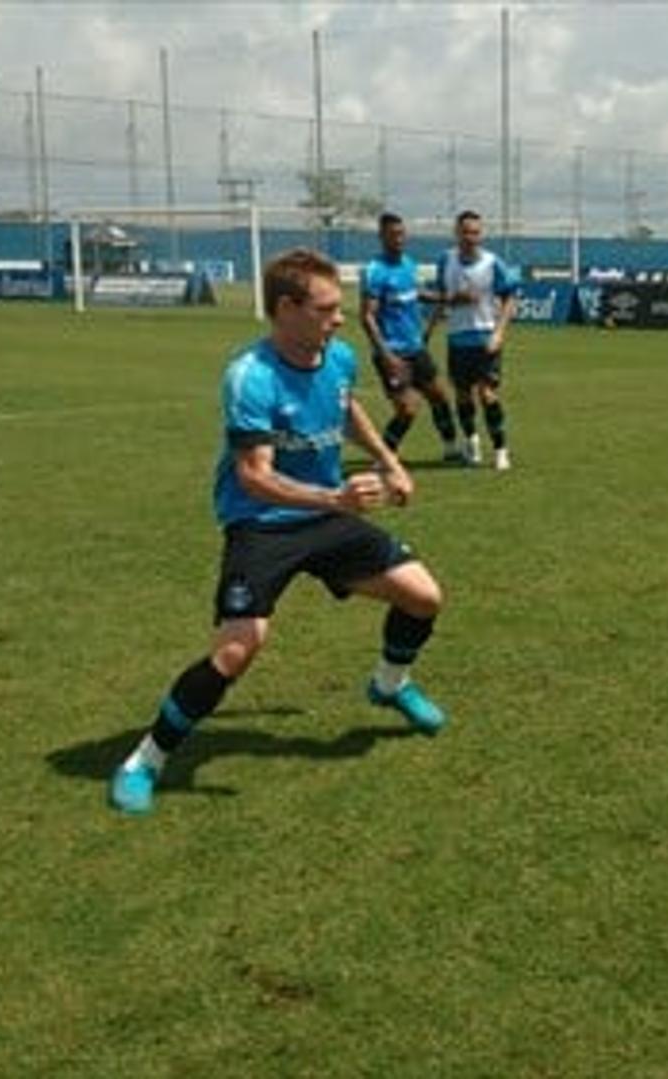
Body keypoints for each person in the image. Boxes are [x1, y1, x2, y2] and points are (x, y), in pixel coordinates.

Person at [109, 248, 450, 816]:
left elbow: (344, 411)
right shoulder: (251, 377)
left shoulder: (337, 357)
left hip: (327, 516)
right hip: (263, 523)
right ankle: (145, 760)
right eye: (326, 308)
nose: (339, 319)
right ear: (287, 309)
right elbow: (254, 477)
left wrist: (390, 461)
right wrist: (336, 497)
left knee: (423, 597)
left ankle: (390, 684)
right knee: (238, 650)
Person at [360, 212, 464, 460]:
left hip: (416, 349)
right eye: (393, 235)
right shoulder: (375, 271)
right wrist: (387, 357)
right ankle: (384, 457)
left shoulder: (408, 263)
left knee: (439, 396)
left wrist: (447, 298)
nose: (399, 239)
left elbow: (414, 293)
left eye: (401, 234)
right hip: (392, 353)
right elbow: (367, 317)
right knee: (408, 409)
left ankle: (451, 448)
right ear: (381, 237)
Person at [429, 210, 519, 470]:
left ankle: (501, 449)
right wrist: (429, 331)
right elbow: (443, 296)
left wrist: (499, 333)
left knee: (487, 394)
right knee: (463, 396)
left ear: (481, 234)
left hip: (485, 336)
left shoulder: (493, 263)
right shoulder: (445, 260)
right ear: (457, 233)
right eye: (465, 232)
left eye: (475, 232)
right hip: (457, 339)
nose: (470, 237)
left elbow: (510, 298)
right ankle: (472, 442)